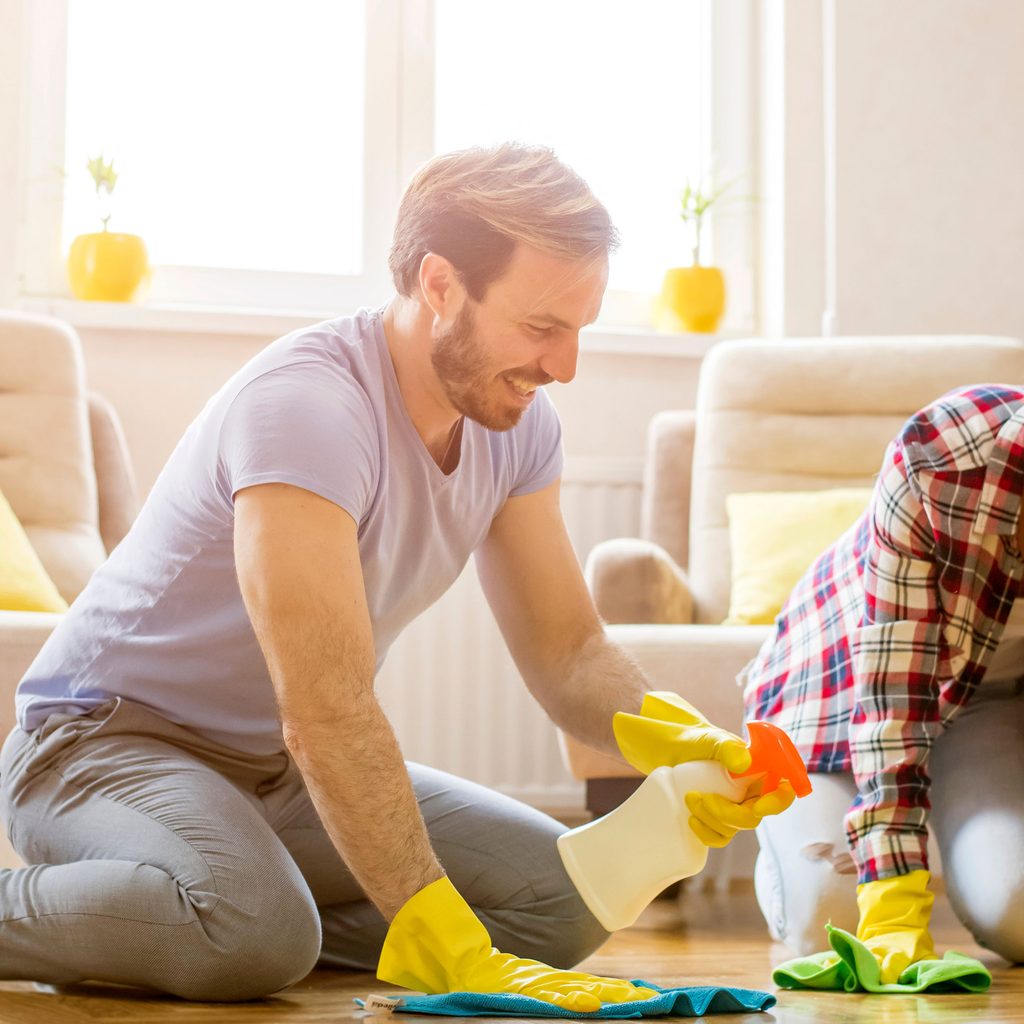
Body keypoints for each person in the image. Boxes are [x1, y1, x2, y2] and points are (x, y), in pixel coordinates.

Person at [2, 143, 792, 1004]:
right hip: (102, 747)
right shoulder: (307, 409)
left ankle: (229, 913)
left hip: (272, 772)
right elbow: (326, 704)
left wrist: (679, 735)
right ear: (440, 283)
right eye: (541, 328)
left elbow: (568, 653)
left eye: (579, 330)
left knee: (557, 908)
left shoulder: (519, 424)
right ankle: (233, 917)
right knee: (253, 932)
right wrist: (435, 924)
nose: (565, 365)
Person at [744, 383, 1024, 981]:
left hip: (988, 703)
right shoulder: (938, 454)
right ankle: (780, 834)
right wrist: (893, 904)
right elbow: (892, 704)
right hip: (839, 690)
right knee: (832, 922)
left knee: (1019, 915)